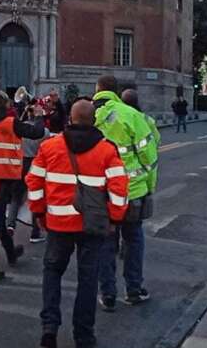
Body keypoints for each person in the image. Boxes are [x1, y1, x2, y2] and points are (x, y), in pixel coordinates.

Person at [26, 100, 129, 348]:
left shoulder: (50, 147)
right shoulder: (106, 150)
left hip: (58, 224)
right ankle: (84, 334)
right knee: (88, 278)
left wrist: (39, 213)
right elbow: (119, 190)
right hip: (92, 225)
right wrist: (115, 218)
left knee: (52, 273)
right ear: (94, 121)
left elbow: (34, 183)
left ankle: (49, 327)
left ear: (70, 119)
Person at [93, 76, 157, 311]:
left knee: (106, 243)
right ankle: (133, 289)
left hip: (102, 193)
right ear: (117, 92)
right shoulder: (132, 116)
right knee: (133, 240)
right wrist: (149, 187)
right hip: (133, 191)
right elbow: (149, 158)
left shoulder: (88, 115)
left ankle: (107, 293)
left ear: (97, 91)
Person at [0, 90, 45, 281]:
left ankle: (10, 252)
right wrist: (39, 117)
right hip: (7, 175)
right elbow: (37, 132)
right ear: (7, 105)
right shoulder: (11, 123)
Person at [20, 104, 48, 243]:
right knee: (36, 196)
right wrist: (40, 117)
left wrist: (25, 114)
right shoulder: (45, 131)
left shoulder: (20, 127)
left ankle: (11, 224)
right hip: (37, 163)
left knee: (17, 196)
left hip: (22, 163)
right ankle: (35, 230)